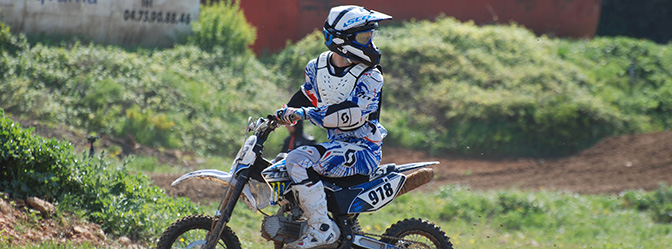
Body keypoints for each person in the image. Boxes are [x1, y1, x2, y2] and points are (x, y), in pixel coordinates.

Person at [273, 5, 392, 249]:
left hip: (363, 151)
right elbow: (306, 96)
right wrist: (280, 116)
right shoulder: (316, 68)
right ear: (342, 40)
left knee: (298, 160)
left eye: (370, 37)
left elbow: (352, 114)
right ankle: (298, 223)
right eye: (363, 37)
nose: (370, 43)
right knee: (283, 163)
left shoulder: (371, 76)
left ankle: (322, 230)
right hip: (336, 147)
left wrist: (304, 114)